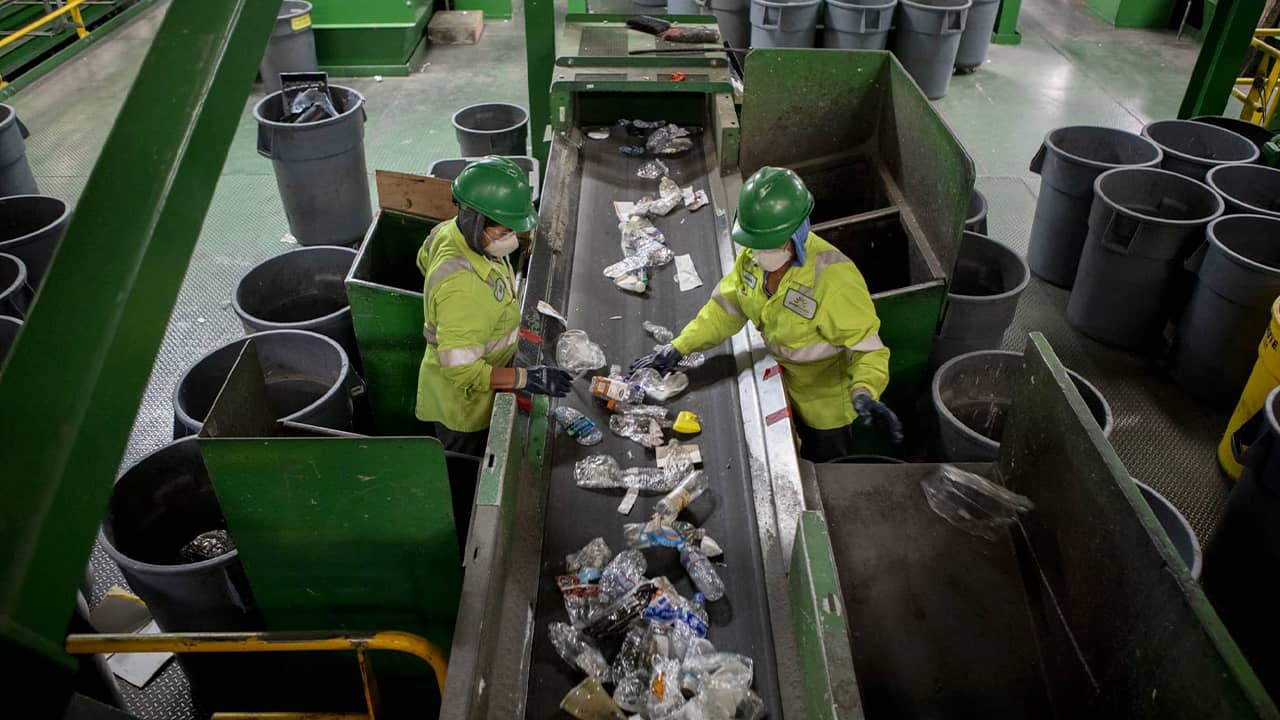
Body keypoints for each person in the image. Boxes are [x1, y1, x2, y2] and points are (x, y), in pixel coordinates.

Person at [632, 166, 902, 462]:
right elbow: (725, 310)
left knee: (824, 462)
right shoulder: (754, 259)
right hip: (783, 380)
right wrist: (680, 346)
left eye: (768, 244)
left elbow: (869, 352)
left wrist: (863, 391)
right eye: (753, 243)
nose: (758, 253)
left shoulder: (835, 282)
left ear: (797, 235)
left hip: (826, 405)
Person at [416, 157, 573, 459]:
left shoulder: (450, 232)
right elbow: (463, 373)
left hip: (468, 372)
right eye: (504, 233)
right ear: (476, 221)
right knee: (467, 470)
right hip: (463, 409)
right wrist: (527, 378)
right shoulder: (463, 290)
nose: (512, 240)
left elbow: (424, 260)